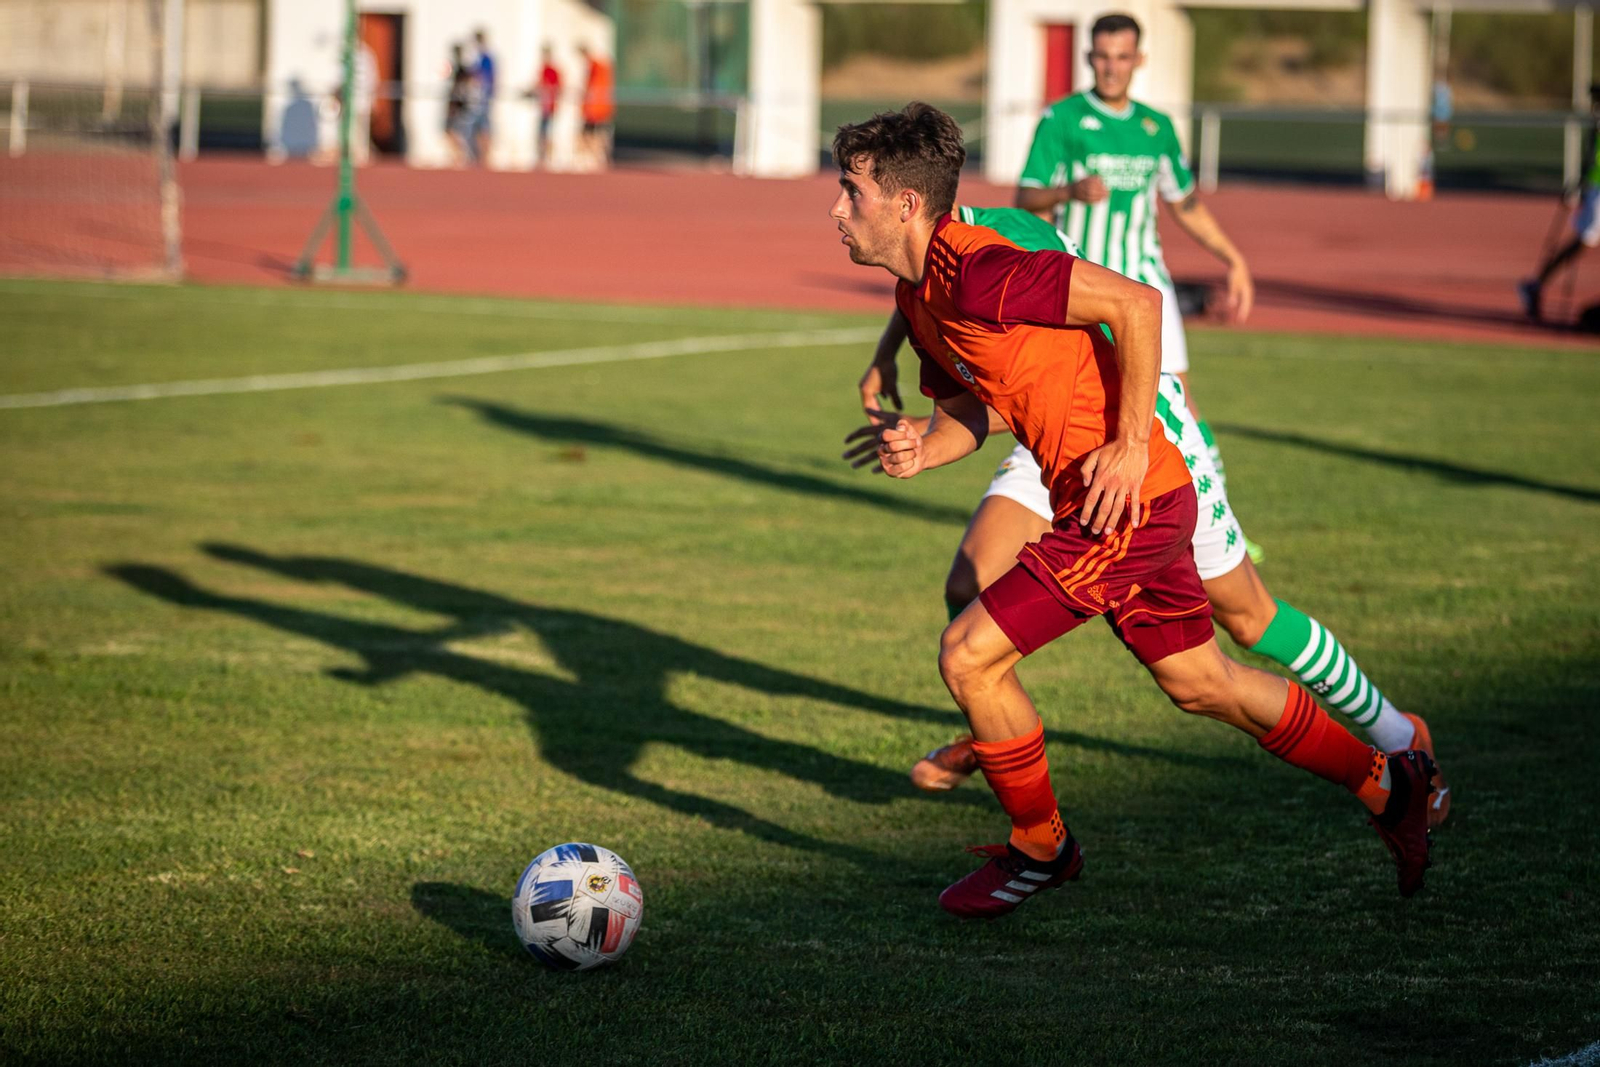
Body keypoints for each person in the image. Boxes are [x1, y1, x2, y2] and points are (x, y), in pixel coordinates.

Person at [828, 103, 1436, 917]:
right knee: (1202, 681)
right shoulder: (917, 299)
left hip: (1127, 504)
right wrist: (920, 446)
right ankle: (1389, 783)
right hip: (1105, 502)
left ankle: (1040, 849)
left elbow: (1137, 304)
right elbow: (978, 412)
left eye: (850, 191)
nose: (837, 210)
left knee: (969, 652)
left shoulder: (977, 266)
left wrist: (1125, 442)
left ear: (905, 204)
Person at [1016, 13, 1259, 560]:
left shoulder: (1156, 127)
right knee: (1082, 401)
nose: (1112, 67)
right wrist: (1069, 191)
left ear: (1138, 60)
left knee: (1183, 403)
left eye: (1122, 56)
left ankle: (1221, 532)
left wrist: (1232, 259)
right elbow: (1026, 195)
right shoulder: (1063, 119)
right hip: (1082, 287)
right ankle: (1077, 515)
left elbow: (1185, 203)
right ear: (1089, 58)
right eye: (1102, 56)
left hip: (1148, 284)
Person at [1519, 84, 1600, 322]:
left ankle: (1536, 285)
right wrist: (1580, 186)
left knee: (1583, 241)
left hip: (1594, 186)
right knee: (1585, 240)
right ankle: (1535, 285)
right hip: (1597, 187)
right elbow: (1592, 158)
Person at [579, 42, 616, 170]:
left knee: (593, 134)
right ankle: (597, 157)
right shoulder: (601, 67)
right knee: (594, 134)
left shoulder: (596, 66)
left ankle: (597, 157)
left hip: (596, 109)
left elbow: (592, 87)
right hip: (598, 108)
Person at [529, 46, 562, 167]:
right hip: (543, 106)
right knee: (541, 133)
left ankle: (548, 158)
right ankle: (541, 157)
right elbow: (538, 85)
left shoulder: (552, 71)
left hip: (550, 107)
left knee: (547, 133)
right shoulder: (543, 69)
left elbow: (557, 87)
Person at [468, 29, 497, 165]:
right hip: (477, 99)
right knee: (476, 128)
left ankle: (485, 157)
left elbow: (486, 78)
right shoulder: (478, 57)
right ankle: (479, 157)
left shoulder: (486, 58)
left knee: (483, 127)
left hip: (483, 99)